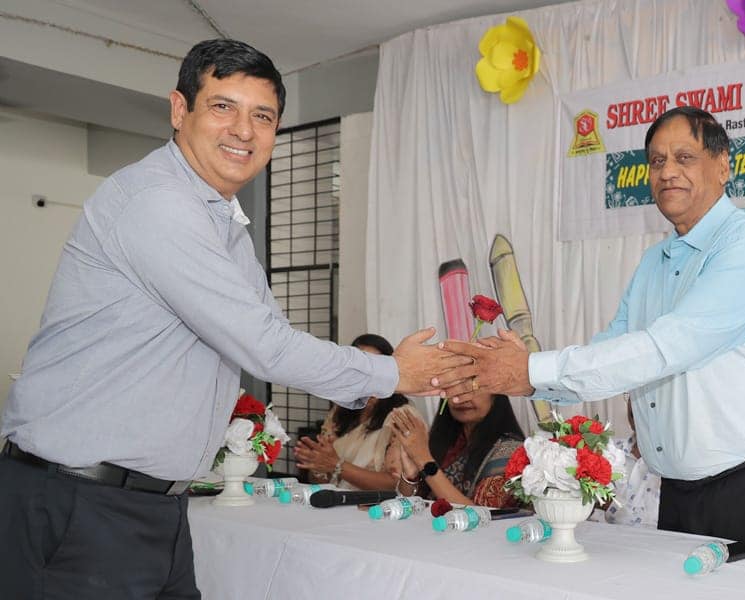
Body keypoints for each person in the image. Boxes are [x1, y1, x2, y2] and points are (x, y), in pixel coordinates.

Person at [0, 39, 466, 599]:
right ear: (180, 110)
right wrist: (393, 373)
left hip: (150, 505)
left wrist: (392, 375)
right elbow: (264, 346)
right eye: (223, 107)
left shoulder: (223, 224)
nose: (244, 130)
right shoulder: (158, 202)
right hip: (81, 505)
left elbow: (272, 337)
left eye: (262, 116)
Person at [434, 106, 745, 549]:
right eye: (656, 161)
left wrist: (530, 370)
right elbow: (612, 348)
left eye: (684, 158)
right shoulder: (654, 262)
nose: (667, 172)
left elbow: (664, 349)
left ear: (723, 166)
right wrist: (523, 374)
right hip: (677, 489)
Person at [294, 333, 425, 490]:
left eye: (376, 369)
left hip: (379, 505)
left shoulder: (403, 417)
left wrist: (337, 465)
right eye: (360, 370)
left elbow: (398, 485)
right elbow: (321, 477)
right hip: (335, 501)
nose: (367, 378)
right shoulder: (340, 410)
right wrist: (317, 463)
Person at [390, 392, 524, 507]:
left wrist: (424, 460)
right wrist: (411, 476)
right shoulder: (443, 441)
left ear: (496, 393)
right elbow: (409, 505)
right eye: (453, 387)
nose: (460, 398)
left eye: (472, 387)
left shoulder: (511, 451)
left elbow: (482, 516)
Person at [604, 397, 660, 528]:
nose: (636, 398)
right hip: (603, 535)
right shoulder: (609, 449)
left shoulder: (674, 462)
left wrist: (610, 504)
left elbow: (652, 520)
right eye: (631, 392)